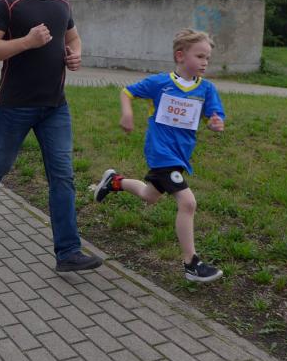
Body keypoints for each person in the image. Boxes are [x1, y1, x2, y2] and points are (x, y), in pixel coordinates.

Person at [0, 0, 101, 273]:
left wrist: (75, 54)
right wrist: (27, 42)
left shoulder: (61, 4)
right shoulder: (5, 5)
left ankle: (68, 252)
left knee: (63, 176)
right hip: (15, 105)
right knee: (1, 163)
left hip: (55, 106)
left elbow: (73, 38)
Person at [93, 28, 226, 283]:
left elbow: (214, 115)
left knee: (149, 195)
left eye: (208, 58)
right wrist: (127, 113)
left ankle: (114, 182)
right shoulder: (159, 83)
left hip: (181, 156)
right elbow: (127, 92)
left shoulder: (206, 89)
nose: (205, 62)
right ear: (180, 56)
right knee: (187, 203)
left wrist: (216, 123)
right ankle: (191, 264)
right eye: (200, 56)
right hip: (161, 153)